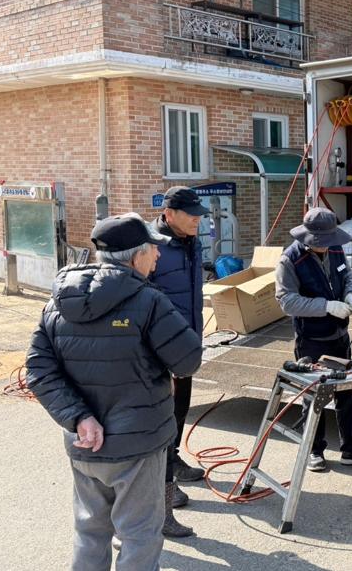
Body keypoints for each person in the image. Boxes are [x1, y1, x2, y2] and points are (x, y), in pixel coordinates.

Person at [25, 213, 203, 571]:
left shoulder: (59, 301)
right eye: (153, 249)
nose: (157, 256)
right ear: (135, 256)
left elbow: (38, 370)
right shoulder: (149, 301)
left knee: (90, 532)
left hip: (84, 443)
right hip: (138, 446)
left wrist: (78, 416)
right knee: (139, 535)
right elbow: (188, 361)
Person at [275, 207, 352, 471]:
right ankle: (314, 450)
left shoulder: (335, 248)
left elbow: (348, 275)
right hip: (311, 338)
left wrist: (350, 295)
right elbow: (286, 301)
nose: (324, 248)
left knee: (348, 393)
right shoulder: (290, 260)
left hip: (339, 335)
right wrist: (326, 306)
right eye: (319, 244)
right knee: (314, 395)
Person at [149, 186, 209, 538]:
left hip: (187, 341)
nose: (197, 219)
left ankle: (173, 461)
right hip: (162, 348)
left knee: (181, 410)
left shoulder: (192, 242)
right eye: (191, 214)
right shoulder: (152, 245)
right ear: (169, 214)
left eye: (199, 213)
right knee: (162, 416)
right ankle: (162, 483)